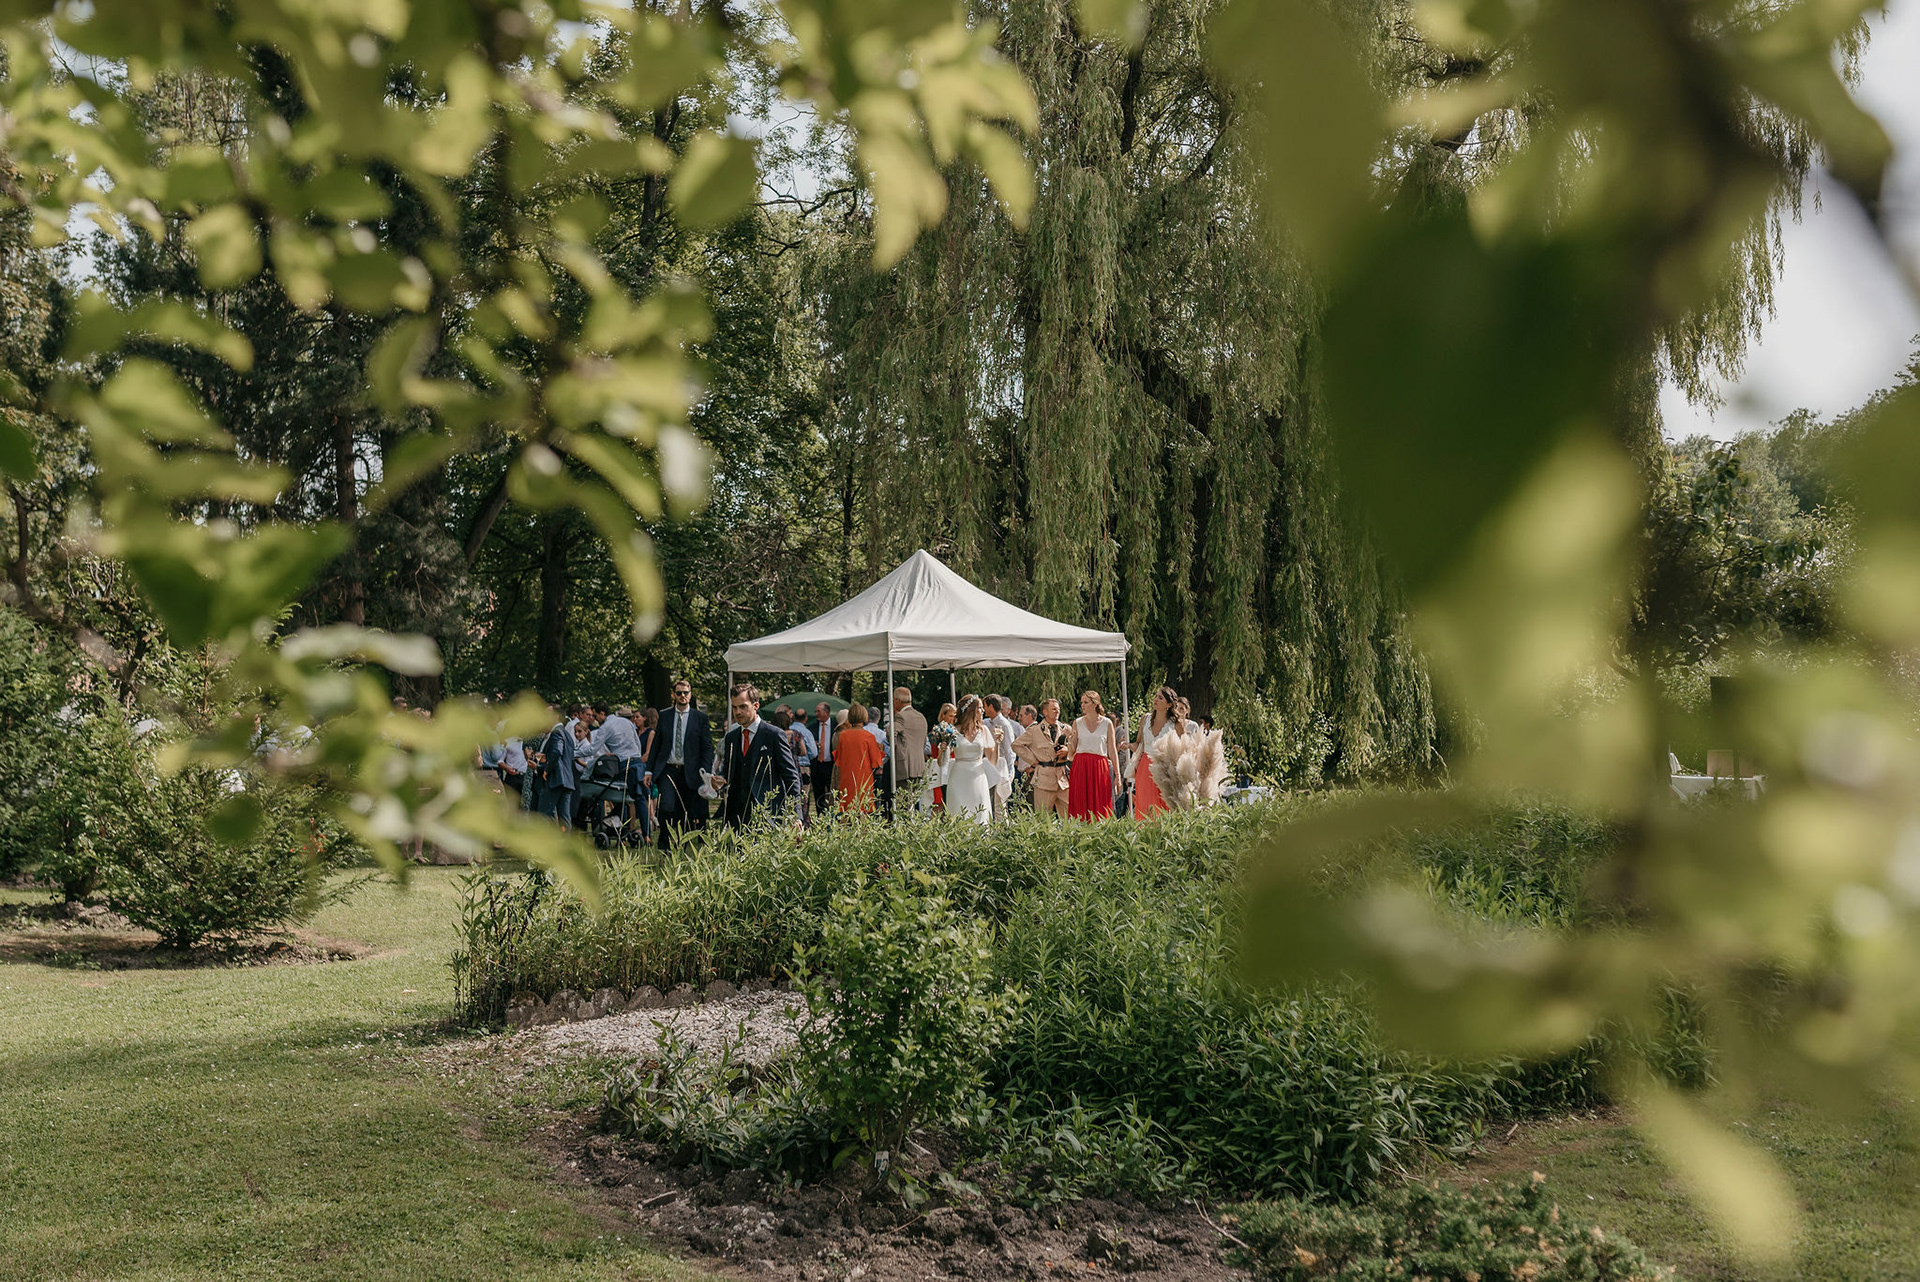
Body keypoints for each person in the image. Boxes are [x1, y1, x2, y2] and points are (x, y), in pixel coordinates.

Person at [718, 683, 802, 828]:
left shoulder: (774, 735)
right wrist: (719, 781)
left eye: (742, 706)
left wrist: (796, 815)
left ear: (756, 705)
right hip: (735, 816)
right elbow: (728, 773)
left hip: (768, 815)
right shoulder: (731, 737)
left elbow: (791, 777)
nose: (737, 712)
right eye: (734, 707)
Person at [645, 679, 713, 848]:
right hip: (668, 769)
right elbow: (657, 745)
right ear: (673, 695)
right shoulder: (665, 715)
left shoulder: (700, 718)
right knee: (667, 806)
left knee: (686, 810)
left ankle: (682, 845)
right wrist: (649, 770)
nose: (683, 695)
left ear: (690, 695)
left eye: (686, 693)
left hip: (691, 771)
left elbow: (707, 747)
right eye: (679, 693)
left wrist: (706, 772)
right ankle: (664, 844)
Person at [943, 695, 999, 825]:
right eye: (980, 708)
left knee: (979, 812)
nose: (983, 711)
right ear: (971, 710)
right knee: (958, 812)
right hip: (958, 777)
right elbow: (943, 761)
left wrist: (997, 743)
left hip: (978, 778)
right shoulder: (953, 731)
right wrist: (943, 749)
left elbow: (993, 760)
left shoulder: (983, 730)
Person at [1013, 698, 1073, 817]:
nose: (1057, 711)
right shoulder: (1035, 731)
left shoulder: (1066, 729)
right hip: (1044, 779)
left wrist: (1068, 751)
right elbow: (1016, 745)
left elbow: (1077, 746)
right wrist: (1033, 760)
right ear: (1045, 712)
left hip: (1063, 780)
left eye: (1058, 709)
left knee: (1070, 816)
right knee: (1042, 818)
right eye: (1054, 709)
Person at [1130, 686, 1183, 820]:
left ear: (1169, 705)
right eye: (1156, 696)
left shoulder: (1176, 724)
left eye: (1160, 698)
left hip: (1165, 768)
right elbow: (1139, 744)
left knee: (1164, 805)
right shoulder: (1145, 719)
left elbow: (1184, 748)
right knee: (1145, 805)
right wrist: (1128, 745)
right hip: (1145, 767)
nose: (1156, 700)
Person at [1067, 690, 1119, 821]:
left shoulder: (1107, 723)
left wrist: (1118, 775)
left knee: (1101, 803)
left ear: (1095, 704)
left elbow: (1112, 751)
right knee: (1080, 804)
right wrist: (1070, 739)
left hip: (1100, 766)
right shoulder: (1077, 722)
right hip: (1081, 766)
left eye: (1086, 702)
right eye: (1082, 702)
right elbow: (1072, 751)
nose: (1082, 705)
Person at [833, 702, 887, 813]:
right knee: (863, 810)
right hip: (864, 779)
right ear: (865, 717)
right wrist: (880, 749)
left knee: (846, 809)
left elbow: (838, 758)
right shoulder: (869, 737)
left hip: (847, 779)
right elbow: (876, 762)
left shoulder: (843, 736)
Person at [534, 706, 578, 829]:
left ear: (555, 717)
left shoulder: (556, 732)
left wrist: (546, 769)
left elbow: (557, 752)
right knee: (564, 817)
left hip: (555, 778)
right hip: (567, 780)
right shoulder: (567, 735)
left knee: (545, 814)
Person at [887, 687, 927, 819]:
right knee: (913, 804)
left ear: (897, 701)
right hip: (918, 766)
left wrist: (898, 750)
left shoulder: (900, 717)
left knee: (903, 806)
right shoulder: (921, 716)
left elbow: (891, 733)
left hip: (904, 767)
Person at [985, 695, 1019, 820]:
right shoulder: (985, 723)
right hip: (988, 767)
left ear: (991, 706)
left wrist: (1009, 774)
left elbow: (1010, 751)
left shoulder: (1005, 724)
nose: (984, 709)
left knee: (1000, 805)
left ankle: (1001, 829)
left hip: (1001, 768)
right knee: (988, 802)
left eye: (985, 706)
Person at [807, 701, 838, 821]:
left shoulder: (836, 726)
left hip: (831, 765)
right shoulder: (812, 727)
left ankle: (833, 818)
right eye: (816, 711)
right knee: (818, 793)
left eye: (818, 711)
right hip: (817, 765)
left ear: (826, 712)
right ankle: (821, 818)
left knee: (832, 793)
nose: (816, 714)